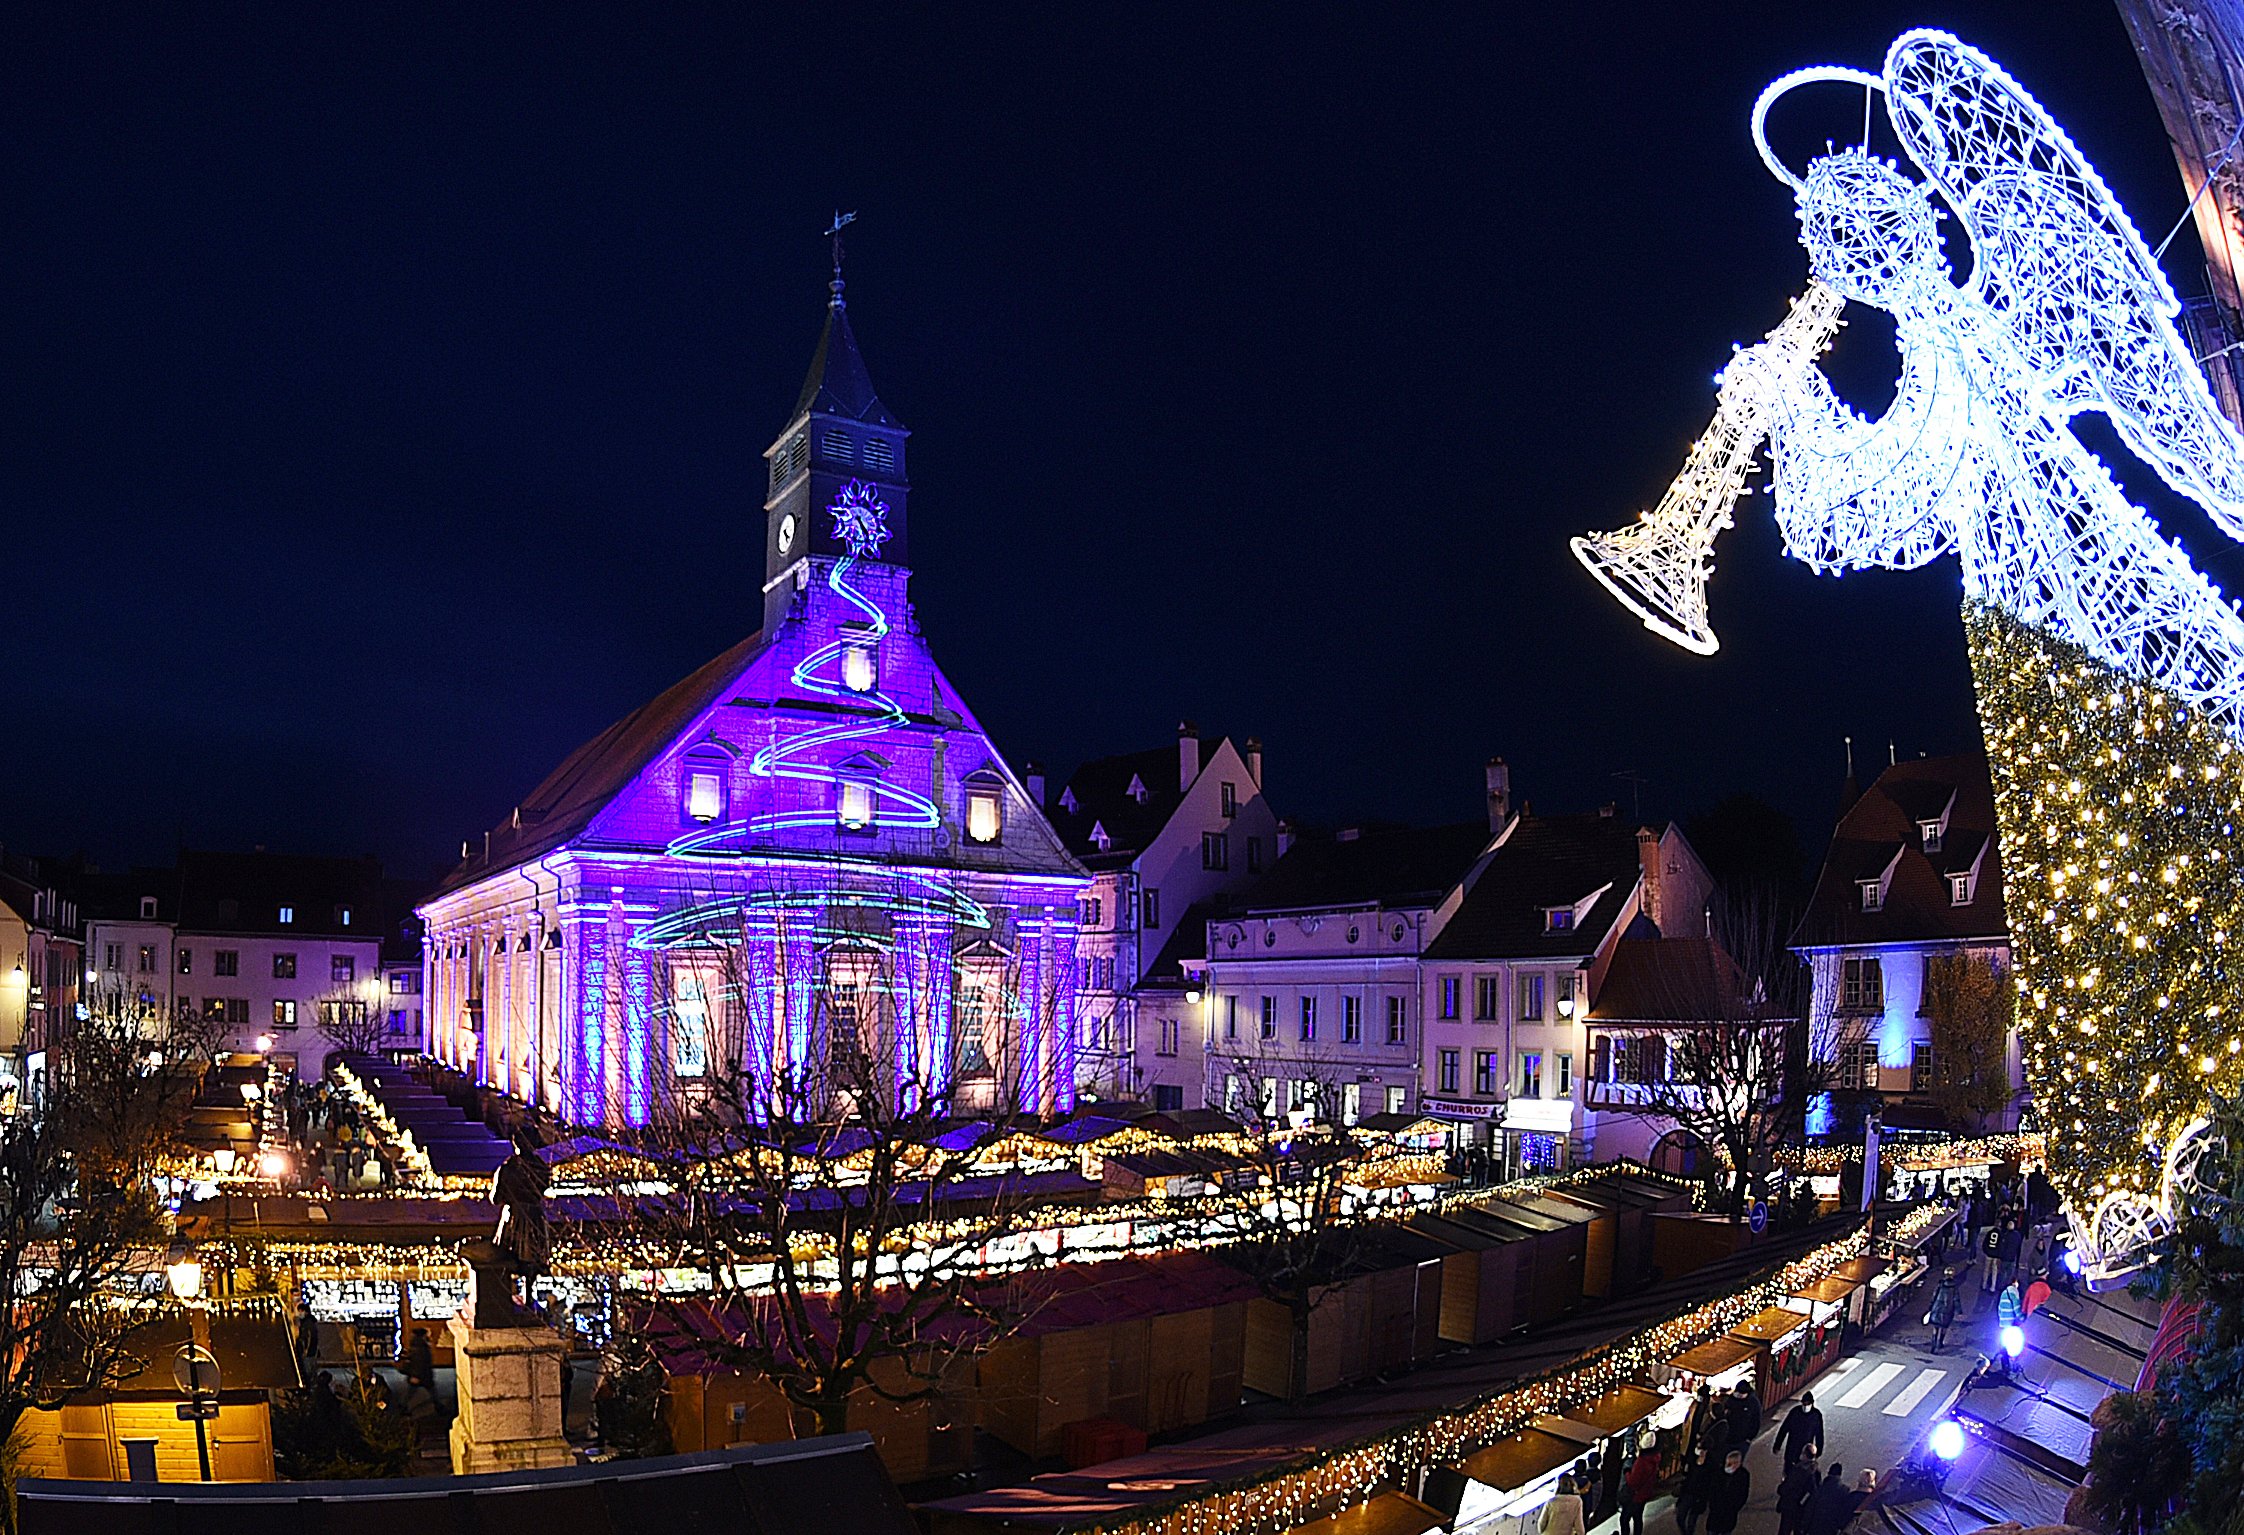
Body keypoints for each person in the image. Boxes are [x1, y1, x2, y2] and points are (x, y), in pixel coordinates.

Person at [1620, 1433, 1660, 1535]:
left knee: (1625, 1519)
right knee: (1638, 1517)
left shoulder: (1642, 1462)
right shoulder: (1655, 1458)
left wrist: (1627, 1473)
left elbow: (1633, 1482)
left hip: (1634, 1496)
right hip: (1644, 1494)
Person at [1774, 1390, 1824, 1469]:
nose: (1805, 1406)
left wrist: (1818, 1450)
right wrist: (1777, 1445)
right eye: (1804, 1404)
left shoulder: (1816, 1416)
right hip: (1792, 1448)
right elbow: (1784, 1429)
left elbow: (1819, 1434)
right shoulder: (1795, 1412)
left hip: (1805, 1450)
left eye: (1807, 1404)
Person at [1705, 1449, 1751, 1535]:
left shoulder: (1743, 1476)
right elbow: (1712, 1489)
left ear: (1737, 1464)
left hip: (1728, 1515)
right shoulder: (1720, 1472)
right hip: (1715, 1513)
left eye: (1729, 1464)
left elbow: (1743, 1494)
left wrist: (1734, 1508)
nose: (1727, 1466)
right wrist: (1712, 1504)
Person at [1806, 1463, 1854, 1535]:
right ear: (1840, 1475)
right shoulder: (1844, 1491)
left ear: (1829, 1473)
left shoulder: (1821, 1488)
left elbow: (1811, 1507)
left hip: (1815, 1526)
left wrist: (1805, 1526)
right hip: (1831, 1529)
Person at [1777, 1457, 1818, 1535]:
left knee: (1785, 1529)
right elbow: (1814, 1492)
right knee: (1798, 1530)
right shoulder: (1816, 1472)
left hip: (1789, 1505)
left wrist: (1780, 1489)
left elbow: (1786, 1488)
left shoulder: (1797, 1469)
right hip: (1802, 1510)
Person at [401, 1326, 437, 1414]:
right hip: (422, 1375)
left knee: (412, 1392)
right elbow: (419, 1363)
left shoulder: (416, 1346)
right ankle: (439, 1407)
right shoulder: (421, 1348)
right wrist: (415, 1375)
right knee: (432, 1392)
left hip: (421, 1375)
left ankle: (403, 1407)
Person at [1928, 1267, 1961, 1353]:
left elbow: (1935, 1295)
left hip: (1937, 1307)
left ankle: (1933, 1344)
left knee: (1935, 1327)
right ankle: (1940, 1342)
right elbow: (1956, 1299)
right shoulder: (1954, 1286)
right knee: (1944, 1327)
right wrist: (1959, 1310)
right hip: (1948, 1308)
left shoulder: (1940, 1284)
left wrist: (1931, 1306)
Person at [1727, 1380, 1762, 1445]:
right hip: (1729, 1437)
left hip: (1743, 1439)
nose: (1739, 1395)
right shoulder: (1731, 1399)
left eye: (1741, 1394)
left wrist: (1750, 1438)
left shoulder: (1753, 1403)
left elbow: (1756, 1420)